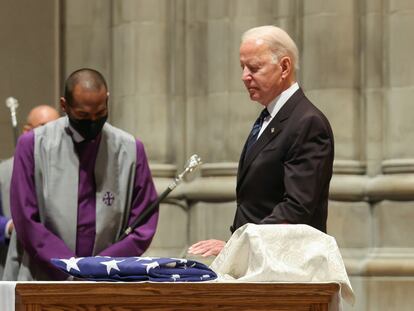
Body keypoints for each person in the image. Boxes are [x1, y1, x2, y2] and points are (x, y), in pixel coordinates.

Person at [188, 25, 334, 257]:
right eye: (242, 67)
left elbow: (296, 208)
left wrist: (237, 245)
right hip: (260, 260)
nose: (244, 76)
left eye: (254, 68)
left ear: (284, 67)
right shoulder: (270, 117)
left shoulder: (307, 122)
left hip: (288, 267)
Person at [4, 68, 158, 280]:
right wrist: (71, 267)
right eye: (83, 115)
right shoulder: (33, 145)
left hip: (107, 278)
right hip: (43, 276)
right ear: (65, 105)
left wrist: (100, 267)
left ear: (107, 100)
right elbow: (25, 218)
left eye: (100, 113)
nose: (93, 121)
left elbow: (144, 222)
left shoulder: (130, 149)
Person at [0, 105, 60, 278]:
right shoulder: (3, 172)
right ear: (27, 131)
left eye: (56, 128)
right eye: (43, 127)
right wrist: (10, 226)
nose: (50, 134)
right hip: (12, 267)